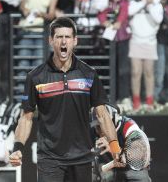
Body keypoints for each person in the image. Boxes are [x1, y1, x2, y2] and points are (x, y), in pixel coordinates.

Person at [9, 17, 123, 182]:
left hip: (82, 157)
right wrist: (18, 147)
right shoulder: (35, 77)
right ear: (51, 40)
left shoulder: (89, 74)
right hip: (49, 159)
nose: (64, 41)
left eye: (68, 37)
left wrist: (115, 147)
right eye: (59, 37)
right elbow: (26, 118)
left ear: (75, 41)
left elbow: (102, 115)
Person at [92, 104, 151, 182]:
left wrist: (113, 148)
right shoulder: (91, 131)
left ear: (113, 120)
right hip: (106, 169)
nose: (100, 130)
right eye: (98, 127)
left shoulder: (129, 126)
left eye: (104, 125)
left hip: (129, 169)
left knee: (139, 176)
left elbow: (139, 156)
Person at [128, 0, 163, 109]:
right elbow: (129, 12)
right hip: (135, 41)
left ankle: (149, 101)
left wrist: (150, 4)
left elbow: (158, 19)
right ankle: (136, 101)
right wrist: (144, 2)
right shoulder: (134, 2)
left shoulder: (157, 5)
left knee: (149, 72)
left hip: (150, 42)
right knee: (136, 72)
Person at [97, 0, 131, 102]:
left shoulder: (125, 2)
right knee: (109, 68)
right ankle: (110, 96)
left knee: (123, 69)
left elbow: (124, 12)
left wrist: (119, 22)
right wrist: (104, 21)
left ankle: (124, 96)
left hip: (123, 39)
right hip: (108, 40)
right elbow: (101, 13)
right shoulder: (106, 2)